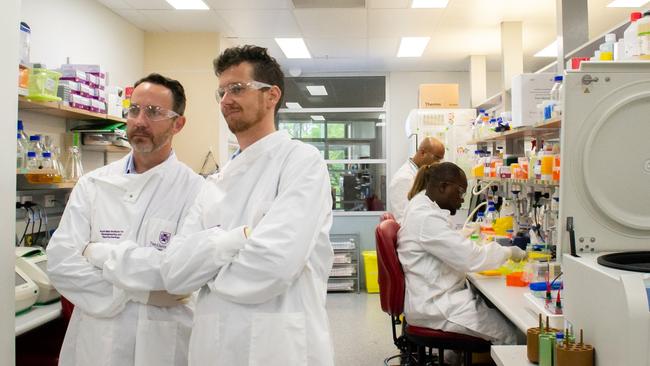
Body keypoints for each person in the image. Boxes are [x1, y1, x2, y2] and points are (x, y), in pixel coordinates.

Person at [46, 73, 210, 366]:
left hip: (163, 344)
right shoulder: (93, 184)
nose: (140, 121)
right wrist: (143, 295)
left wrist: (97, 252)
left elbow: (180, 273)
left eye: (154, 112)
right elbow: (61, 263)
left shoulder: (197, 191)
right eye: (134, 110)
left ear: (178, 123)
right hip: (97, 342)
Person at [397, 162, 526, 345]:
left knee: (497, 314)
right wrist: (508, 252)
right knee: (515, 336)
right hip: (438, 306)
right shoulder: (426, 217)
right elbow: (472, 259)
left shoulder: (421, 205)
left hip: (435, 296)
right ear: (443, 187)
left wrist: (460, 235)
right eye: (460, 192)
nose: (463, 199)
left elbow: (439, 242)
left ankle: (452, 358)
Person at [388, 136, 444, 223]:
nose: (438, 163)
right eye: (436, 158)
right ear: (422, 153)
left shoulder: (419, 175)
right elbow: (403, 219)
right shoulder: (404, 178)